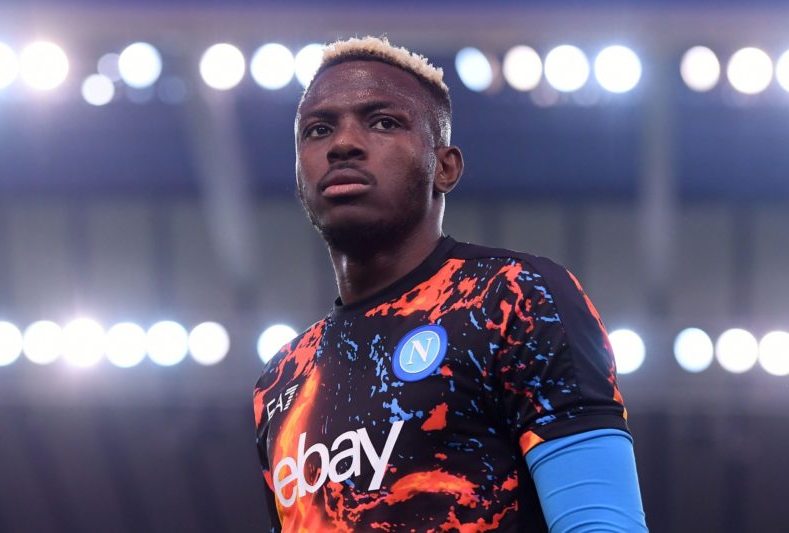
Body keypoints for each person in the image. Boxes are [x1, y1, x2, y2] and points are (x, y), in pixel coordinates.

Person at [253, 36, 648, 532]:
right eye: (317, 129)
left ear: (444, 167)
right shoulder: (281, 380)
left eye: (383, 122)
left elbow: (601, 523)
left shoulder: (514, 297)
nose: (343, 143)